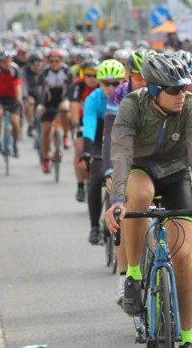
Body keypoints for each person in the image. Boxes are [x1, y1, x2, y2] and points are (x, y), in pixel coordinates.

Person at [104, 53, 192, 348]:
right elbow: (121, 154)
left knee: (182, 256)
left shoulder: (191, 105)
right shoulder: (132, 105)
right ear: (154, 90)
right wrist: (117, 199)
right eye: (173, 89)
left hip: (176, 171)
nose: (182, 94)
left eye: (185, 87)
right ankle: (133, 274)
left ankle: (188, 336)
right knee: (139, 196)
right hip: (140, 167)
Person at [103, 49, 151, 306]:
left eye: (147, 77)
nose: (143, 82)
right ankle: (124, 277)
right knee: (125, 213)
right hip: (127, 159)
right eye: (137, 76)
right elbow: (110, 136)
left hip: (157, 162)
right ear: (128, 75)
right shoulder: (119, 95)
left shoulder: (161, 91)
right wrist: (110, 171)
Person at [79, 59, 125, 245]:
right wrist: (89, 150)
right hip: (99, 141)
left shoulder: (129, 96)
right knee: (97, 177)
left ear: (124, 81)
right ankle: (94, 227)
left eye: (116, 83)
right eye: (107, 83)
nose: (111, 87)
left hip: (122, 141)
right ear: (99, 83)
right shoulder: (93, 99)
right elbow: (89, 126)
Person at [38, 49, 73, 174]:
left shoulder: (67, 71)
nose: (54, 63)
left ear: (61, 61)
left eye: (56, 61)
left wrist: (70, 101)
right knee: (46, 129)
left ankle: (64, 136)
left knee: (65, 109)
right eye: (51, 61)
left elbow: (71, 88)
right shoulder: (44, 73)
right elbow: (41, 90)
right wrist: (40, 105)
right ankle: (46, 157)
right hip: (48, 101)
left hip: (62, 99)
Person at [70, 59, 100, 202]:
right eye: (88, 75)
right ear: (83, 75)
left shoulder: (103, 84)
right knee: (80, 148)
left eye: (95, 75)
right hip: (82, 121)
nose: (92, 79)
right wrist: (76, 125)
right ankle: (80, 185)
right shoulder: (78, 85)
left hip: (101, 121)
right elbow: (74, 105)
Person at [0, 50, 23, 156]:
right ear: (0, 62)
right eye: (4, 62)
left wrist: (19, 100)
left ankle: (15, 143)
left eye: (8, 61)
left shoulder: (15, 70)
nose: (7, 64)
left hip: (12, 97)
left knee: (15, 121)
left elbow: (18, 86)